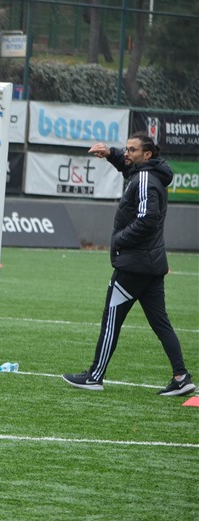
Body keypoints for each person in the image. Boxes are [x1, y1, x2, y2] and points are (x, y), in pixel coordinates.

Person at [62, 133, 194, 396]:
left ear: (147, 155)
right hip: (151, 264)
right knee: (161, 323)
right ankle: (181, 377)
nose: (126, 153)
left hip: (134, 265)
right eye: (126, 149)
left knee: (111, 320)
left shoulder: (145, 178)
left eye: (132, 150)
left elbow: (147, 220)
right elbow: (127, 167)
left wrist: (119, 240)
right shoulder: (148, 173)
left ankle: (95, 376)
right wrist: (110, 153)